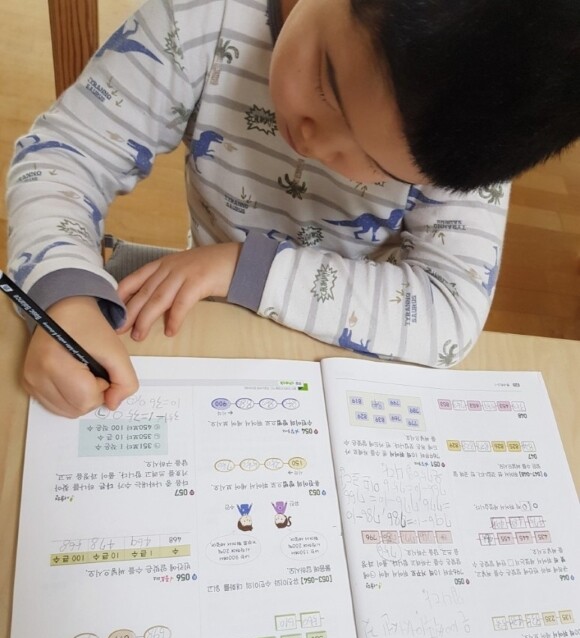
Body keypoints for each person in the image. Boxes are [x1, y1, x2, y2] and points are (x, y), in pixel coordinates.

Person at [7, 0, 580, 417]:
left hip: (341, 342)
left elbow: (450, 309)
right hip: (213, 324)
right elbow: (66, 154)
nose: (314, 141)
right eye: (327, 81)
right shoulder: (204, 16)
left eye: (380, 166)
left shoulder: (469, 129)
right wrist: (63, 294)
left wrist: (245, 267)